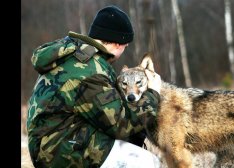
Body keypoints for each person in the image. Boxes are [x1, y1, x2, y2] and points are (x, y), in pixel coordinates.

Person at [27, 5, 161, 168]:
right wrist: (153, 93)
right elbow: (120, 124)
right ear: (119, 43)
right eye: (126, 45)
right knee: (146, 161)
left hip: (49, 145)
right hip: (60, 152)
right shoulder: (91, 70)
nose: (125, 49)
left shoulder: (72, 53)